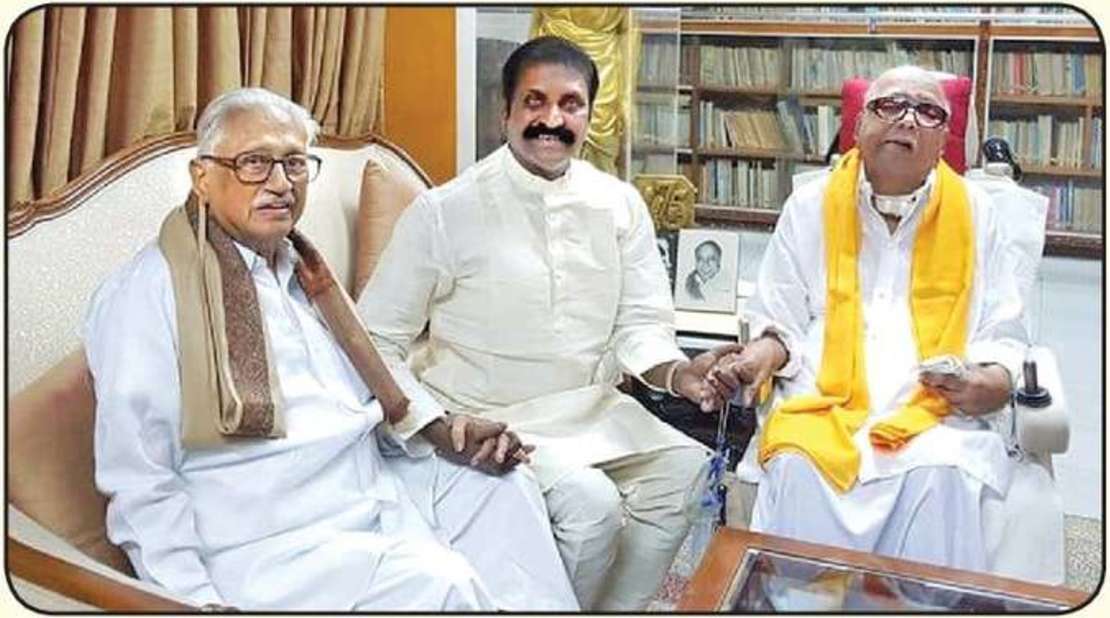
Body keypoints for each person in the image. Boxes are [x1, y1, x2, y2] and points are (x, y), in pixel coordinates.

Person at [84, 87, 579, 611]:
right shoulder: (149, 293)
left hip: (373, 485)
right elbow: (140, 477)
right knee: (441, 584)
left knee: (505, 490)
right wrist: (193, 602)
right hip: (267, 539)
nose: (280, 183)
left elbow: (357, 405)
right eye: (254, 163)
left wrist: (442, 431)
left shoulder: (303, 271)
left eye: (294, 163)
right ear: (202, 176)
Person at [358, 36, 734, 610]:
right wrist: (437, 425)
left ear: (590, 115)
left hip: (593, 411)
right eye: (535, 102)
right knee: (592, 506)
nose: (552, 120)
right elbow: (376, 341)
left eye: (570, 104)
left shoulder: (619, 205)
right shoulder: (445, 211)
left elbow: (640, 323)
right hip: (490, 416)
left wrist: (679, 374)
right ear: (506, 111)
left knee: (685, 471)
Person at [706, 66, 1030, 577]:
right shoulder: (810, 203)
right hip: (823, 400)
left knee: (942, 474)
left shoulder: (977, 211)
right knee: (797, 465)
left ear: (943, 140)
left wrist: (990, 380)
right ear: (858, 126)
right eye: (890, 105)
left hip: (934, 411)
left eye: (928, 112)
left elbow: (1001, 328)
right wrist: (759, 355)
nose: (908, 120)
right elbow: (779, 314)